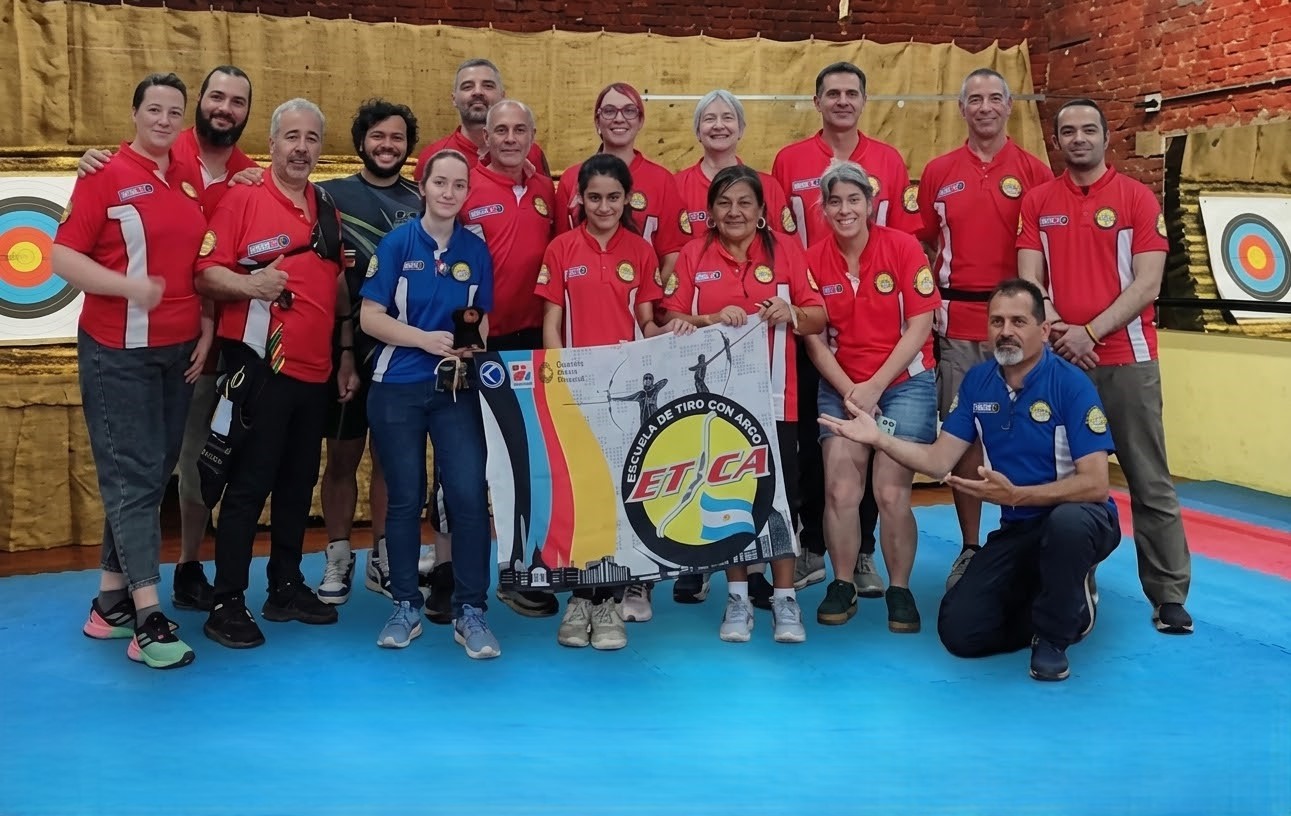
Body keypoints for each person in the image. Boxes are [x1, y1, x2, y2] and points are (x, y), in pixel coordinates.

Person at [820, 279, 1120, 681]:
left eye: (1018, 321)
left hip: (1081, 518)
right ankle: (1060, 603)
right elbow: (937, 461)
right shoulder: (979, 382)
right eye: (997, 321)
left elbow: (1096, 484)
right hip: (1020, 526)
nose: (1006, 331)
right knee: (960, 632)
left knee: (1067, 525)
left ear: (1044, 329)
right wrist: (879, 439)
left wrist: (1018, 495)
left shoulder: (1071, 384)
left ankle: (1055, 637)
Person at [76, 65, 258, 614]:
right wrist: (91, 163)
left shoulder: (250, 174)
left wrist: (209, 321)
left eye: (238, 101)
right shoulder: (164, 153)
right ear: (198, 103)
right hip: (139, 343)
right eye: (216, 97)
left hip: (216, 341)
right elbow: (114, 188)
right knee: (142, 468)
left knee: (167, 466)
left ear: (247, 112)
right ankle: (140, 601)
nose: (225, 108)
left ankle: (156, 578)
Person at [1018, 98, 1193, 635]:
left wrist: (1089, 333)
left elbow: (1148, 283)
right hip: (1059, 363)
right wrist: (1059, 330)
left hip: (1127, 362)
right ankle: (1067, 586)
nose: (1079, 139)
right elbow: (1029, 282)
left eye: (1088, 130)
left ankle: (1168, 595)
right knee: (1061, 481)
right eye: (1068, 131)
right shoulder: (1037, 201)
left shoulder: (1137, 198)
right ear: (1056, 141)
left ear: (1105, 136)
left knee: (1149, 480)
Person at [57, 72, 210, 669]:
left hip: (178, 353)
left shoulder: (188, 173)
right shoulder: (104, 174)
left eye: (174, 111)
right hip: (117, 352)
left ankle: (109, 604)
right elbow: (60, 256)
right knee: (135, 479)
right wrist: (126, 287)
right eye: (154, 109)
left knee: (147, 476)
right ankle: (148, 618)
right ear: (135, 113)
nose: (164, 120)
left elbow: (200, 251)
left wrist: (204, 325)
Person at [195, 98, 360, 649]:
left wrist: (345, 352)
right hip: (260, 366)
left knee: (297, 483)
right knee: (248, 484)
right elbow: (205, 273)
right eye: (292, 136)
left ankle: (285, 586)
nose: (301, 148)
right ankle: (227, 600)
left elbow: (336, 287)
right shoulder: (243, 198)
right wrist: (251, 286)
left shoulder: (326, 206)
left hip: (315, 373)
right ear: (272, 144)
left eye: (311, 138)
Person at [658, 165, 825, 644]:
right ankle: (737, 597)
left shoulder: (786, 251)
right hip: (716, 405)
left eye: (744, 203)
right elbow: (669, 317)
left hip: (777, 399)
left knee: (782, 497)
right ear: (710, 211)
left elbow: (818, 316)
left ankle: (785, 599)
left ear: (761, 210)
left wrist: (791, 312)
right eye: (724, 203)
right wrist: (708, 317)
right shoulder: (694, 254)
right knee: (728, 496)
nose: (734, 212)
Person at [774, 62, 921, 601]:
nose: (841, 100)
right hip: (817, 325)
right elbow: (785, 242)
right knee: (821, 453)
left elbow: (901, 246)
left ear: (863, 100)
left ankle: (863, 554)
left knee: (880, 462)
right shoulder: (789, 160)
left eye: (850, 92)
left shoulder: (890, 160)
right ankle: (816, 545)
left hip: (883, 337)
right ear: (816, 101)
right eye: (831, 93)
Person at [536, 154, 692, 649]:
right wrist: (564, 380)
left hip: (624, 392)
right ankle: (579, 598)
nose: (603, 207)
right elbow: (551, 323)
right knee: (581, 495)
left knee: (619, 496)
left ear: (627, 200)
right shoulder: (560, 248)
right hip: (578, 391)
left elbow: (645, 321)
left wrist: (671, 331)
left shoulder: (641, 252)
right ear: (579, 199)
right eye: (594, 197)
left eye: (613, 197)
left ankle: (607, 602)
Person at [915, 68, 1053, 590]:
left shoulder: (1035, 171)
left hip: (1020, 326)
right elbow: (925, 243)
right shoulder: (938, 171)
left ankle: (1030, 541)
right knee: (965, 438)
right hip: (958, 323)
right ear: (961, 108)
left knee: (1033, 433)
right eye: (975, 99)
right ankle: (971, 547)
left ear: (1009, 105)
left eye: (995, 98)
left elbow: (1045, 249)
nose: (985, 107)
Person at [361, 148, 501, 659]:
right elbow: (370, 317)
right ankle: (405, 605)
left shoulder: (475, 250)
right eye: (440, 182)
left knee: (467, 495)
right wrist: (424, 340)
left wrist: (471, 346)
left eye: (459, 185)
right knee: (405, 497)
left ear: (467, 193)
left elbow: (481, 320)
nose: (448, 192)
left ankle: (472, 611)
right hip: (396, 386)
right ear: (423, 186)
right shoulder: (398, 243)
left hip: (455, 391)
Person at [804, 162, 939, 634]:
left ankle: (900, 589)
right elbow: (814, 339)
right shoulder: (812, 259)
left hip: (904, 384)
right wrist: (850, 391)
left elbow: (920, 325)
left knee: (890, 492)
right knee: (841, 490)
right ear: (823, 209)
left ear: (870, 204)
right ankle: (842, 582)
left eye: (853, 199)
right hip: (842, 385)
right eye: (835, 201)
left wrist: (876, 386)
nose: (845, 210)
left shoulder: (902, 247)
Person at [313, 99, 424, 608]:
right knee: (341, 456)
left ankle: (383, 557)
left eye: (397, 137)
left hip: (401, 354)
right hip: (346, 350)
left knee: (389, 458)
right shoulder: (329, 196)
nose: (387, 145)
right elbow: (327, 276)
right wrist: (343, 350)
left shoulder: (422, 200)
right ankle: (338, 555)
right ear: (361, 142)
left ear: (408, 146)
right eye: (378, 136)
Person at [459, 99, 561, 619]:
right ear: (485, 137)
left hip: (533, 342)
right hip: (479, 345)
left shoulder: (547, 191)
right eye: (501, 130)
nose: (511, 138)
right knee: (466, 464)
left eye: (520, 129)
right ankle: (454, 573)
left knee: (525, 462)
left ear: (532, 136)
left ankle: (520, 568)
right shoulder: (466, 188)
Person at [674, 89, 797, 238]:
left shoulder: (768, 186)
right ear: (698, 131)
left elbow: (788, 247)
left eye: (727, 118)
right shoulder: (675, 187)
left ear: (741, 129)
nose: (719, 125)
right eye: (709, 119)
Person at [411, 59, 549, 179]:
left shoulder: (530, 152)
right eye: (467, 87)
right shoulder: (432, 156)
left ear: (502, 96)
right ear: (454, 99)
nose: (478, 92)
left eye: (488, 86)